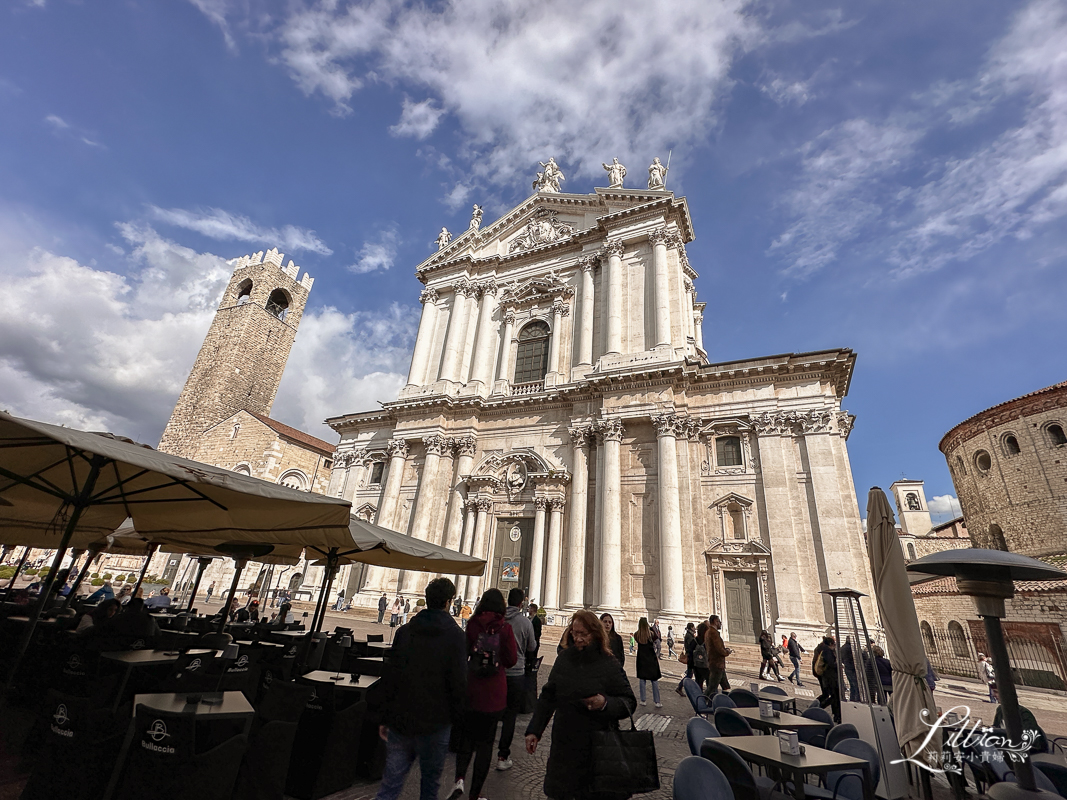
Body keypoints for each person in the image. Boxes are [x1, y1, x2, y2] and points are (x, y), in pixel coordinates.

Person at [525, 611, 637, 800]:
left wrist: (605, 703)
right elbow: (548, 697)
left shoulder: (609, 663)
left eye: (583, 634)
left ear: (595, 634)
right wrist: (534, 730)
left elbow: (629, 701)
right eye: (574, 633)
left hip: (598, 749)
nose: (577, 638)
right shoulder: (564, 660)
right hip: (565, 746)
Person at [377, 578, 467, 800]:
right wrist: (458, 722)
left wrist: (385, 716)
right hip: (436, 723)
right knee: (430, 785)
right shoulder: (456, 636)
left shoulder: (405, 631)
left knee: (390, 784)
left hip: (401, 720)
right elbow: (458, 684)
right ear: (449, 602)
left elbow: (391, 677)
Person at [447, 588, 517, 800]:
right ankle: (475, 795)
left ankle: (459, 779)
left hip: (472, 689)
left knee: (466, 740)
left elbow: (463, 653)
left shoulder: (472, 625)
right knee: (485, 745)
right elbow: (512, 659)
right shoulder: (505, 628)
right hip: (494, 694)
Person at [497, 588, 536, 772]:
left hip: (497, 672)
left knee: (492, 710)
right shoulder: (525, 622)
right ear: (522, 603)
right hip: (516, 673)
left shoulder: (498, 620)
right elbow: (532, 646)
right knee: (510, 716)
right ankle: (502, 755)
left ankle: (481, 748)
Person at [633, 617, 662, 707]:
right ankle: (657, 701)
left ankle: (643, 700)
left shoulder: (636, 635)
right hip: (651, 657)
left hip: (641, 658)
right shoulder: (651, 634)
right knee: (654, 680)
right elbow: (658, 643)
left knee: (642, 679)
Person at [703, 615, 732, 698]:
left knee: (726, 687)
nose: (720, 624)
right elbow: (719, 649)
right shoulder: (713, 633)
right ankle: (701, 702)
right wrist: (727, 652)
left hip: (716, 664)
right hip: (717, 664)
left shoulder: (709, 632)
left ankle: (730, 702)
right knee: (712, 687)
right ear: (715, 622)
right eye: (719, 622)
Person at [813, 636, 840, 721]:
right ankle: (818, 707)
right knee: (833, 696)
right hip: (829, 678)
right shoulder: (827, 651)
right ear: (831, 644)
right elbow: (831, 663)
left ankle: (836, 714)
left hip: (829, 677)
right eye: (834, 643)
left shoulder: (825, 649)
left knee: (832, 696)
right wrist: (838, 665)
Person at [676, 622, 697, 694]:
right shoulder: (689, 636)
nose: (695, 628)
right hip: (691, 656)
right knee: (690, 674)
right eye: (694, 627)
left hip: (691, 656)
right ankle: (680, 687)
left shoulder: (689, 635)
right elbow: (691, 646)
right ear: (691, 627)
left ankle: (680, 687)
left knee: (691, 673)